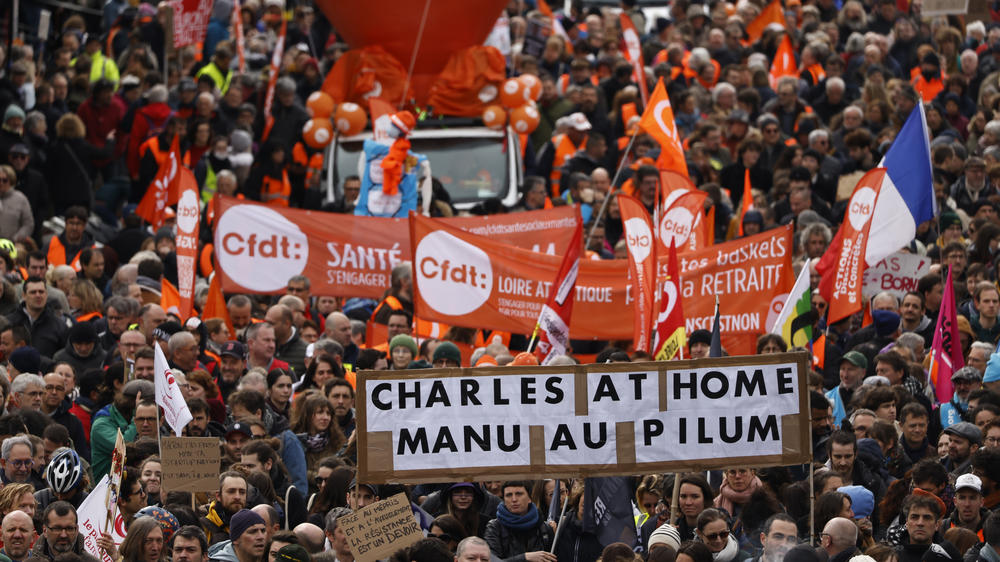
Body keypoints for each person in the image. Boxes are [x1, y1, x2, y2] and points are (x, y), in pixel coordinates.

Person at [483, 481, 555, 562]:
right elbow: (491, 560)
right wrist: (525, 557)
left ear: (529, 498)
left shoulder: (544, 529)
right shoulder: (494, 527)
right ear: (503, 500)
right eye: (509, 495)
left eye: (519, 494)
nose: (514, 499)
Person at [31, 500, 100, 561]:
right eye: (57, 528)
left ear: (76, 530)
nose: (63, 535)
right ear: (45, 530)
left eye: (69, 528)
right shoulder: (27, 558)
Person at [201, 471, 249, 545]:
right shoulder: (203, 527)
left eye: (242, 492)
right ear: (218, 496)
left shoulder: (252, 525)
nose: (237, 497)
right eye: (231, 491)